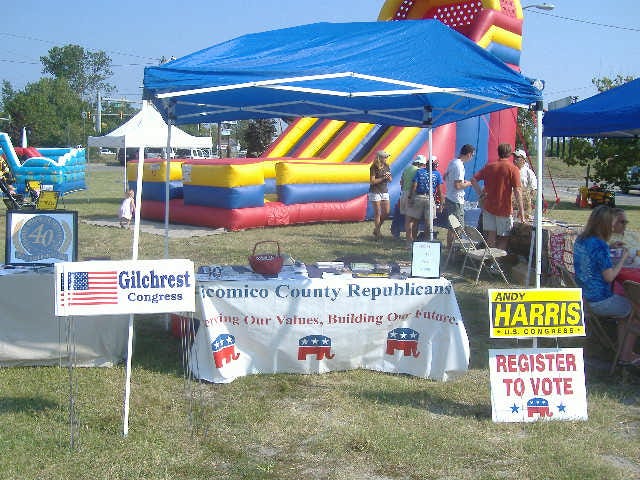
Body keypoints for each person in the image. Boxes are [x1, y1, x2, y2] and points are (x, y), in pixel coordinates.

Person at [573, 205, 640, 366]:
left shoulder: (581, 240)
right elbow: (609, 277)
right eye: (612, 223)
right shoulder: (600, 245)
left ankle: (623, 351)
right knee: (635, 311)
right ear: (604, 224)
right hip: (600, 300)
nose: (613, 226)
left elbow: (591, 257)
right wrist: (623, 258)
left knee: (626, 308)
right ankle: (626, 356)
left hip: (584, 296)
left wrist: (609, 248)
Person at [471, 143, 525, 250]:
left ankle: (490, 263)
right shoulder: (513, 169)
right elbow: (518, 191)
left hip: (489, 208)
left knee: (491, 236)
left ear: (498, 152)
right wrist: (522, 212)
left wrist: (481, 194)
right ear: (509, 154)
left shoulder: (489, 166)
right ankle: (497, 263)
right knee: (504, 238)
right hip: (504, 209)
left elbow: (473, 179)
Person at [406, 155, 443, 246]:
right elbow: (440, 191)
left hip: (418, 197)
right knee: (428, 222)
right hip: (430, 198)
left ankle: (413, 242)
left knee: (415, 221)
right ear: (434, 165)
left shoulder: (419, 172)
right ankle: (427, 242)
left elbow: (414, 185)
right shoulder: (437, 174)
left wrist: (410, 197)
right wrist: (441, 204)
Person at [443, 144, 475, 248]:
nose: (472, 158)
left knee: (452, 227)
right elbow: (458, 185)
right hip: (456, 199)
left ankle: (450, 248)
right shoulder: (459, 165)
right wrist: (469, 183)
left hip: (450, 197)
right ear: (469, 154)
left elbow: (445, 177)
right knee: (457, 227)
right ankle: (453, 249)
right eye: (472, 155)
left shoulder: (452, 162)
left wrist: (461, 182)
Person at [369, 150, 392, 240]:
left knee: (386, 212)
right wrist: (383, 178)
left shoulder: (387, 166)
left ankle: (376, 229)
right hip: (375, 191)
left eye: (386, 157)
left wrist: (388, 177)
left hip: (384, 191)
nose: (386, 158)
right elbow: (372, 181)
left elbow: (390, 179)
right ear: (380, 158)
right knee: (377, 212)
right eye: (385, 157)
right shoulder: (374, 167)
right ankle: (378, 233)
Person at [513, 149, 537, 220]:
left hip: (524, 201)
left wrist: (527, 198)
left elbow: (534, 188)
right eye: (514, 157)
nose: (514, 159)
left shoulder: (528, 172)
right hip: (512, 201)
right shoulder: (511, 170)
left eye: (517, 157)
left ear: (523, 159)